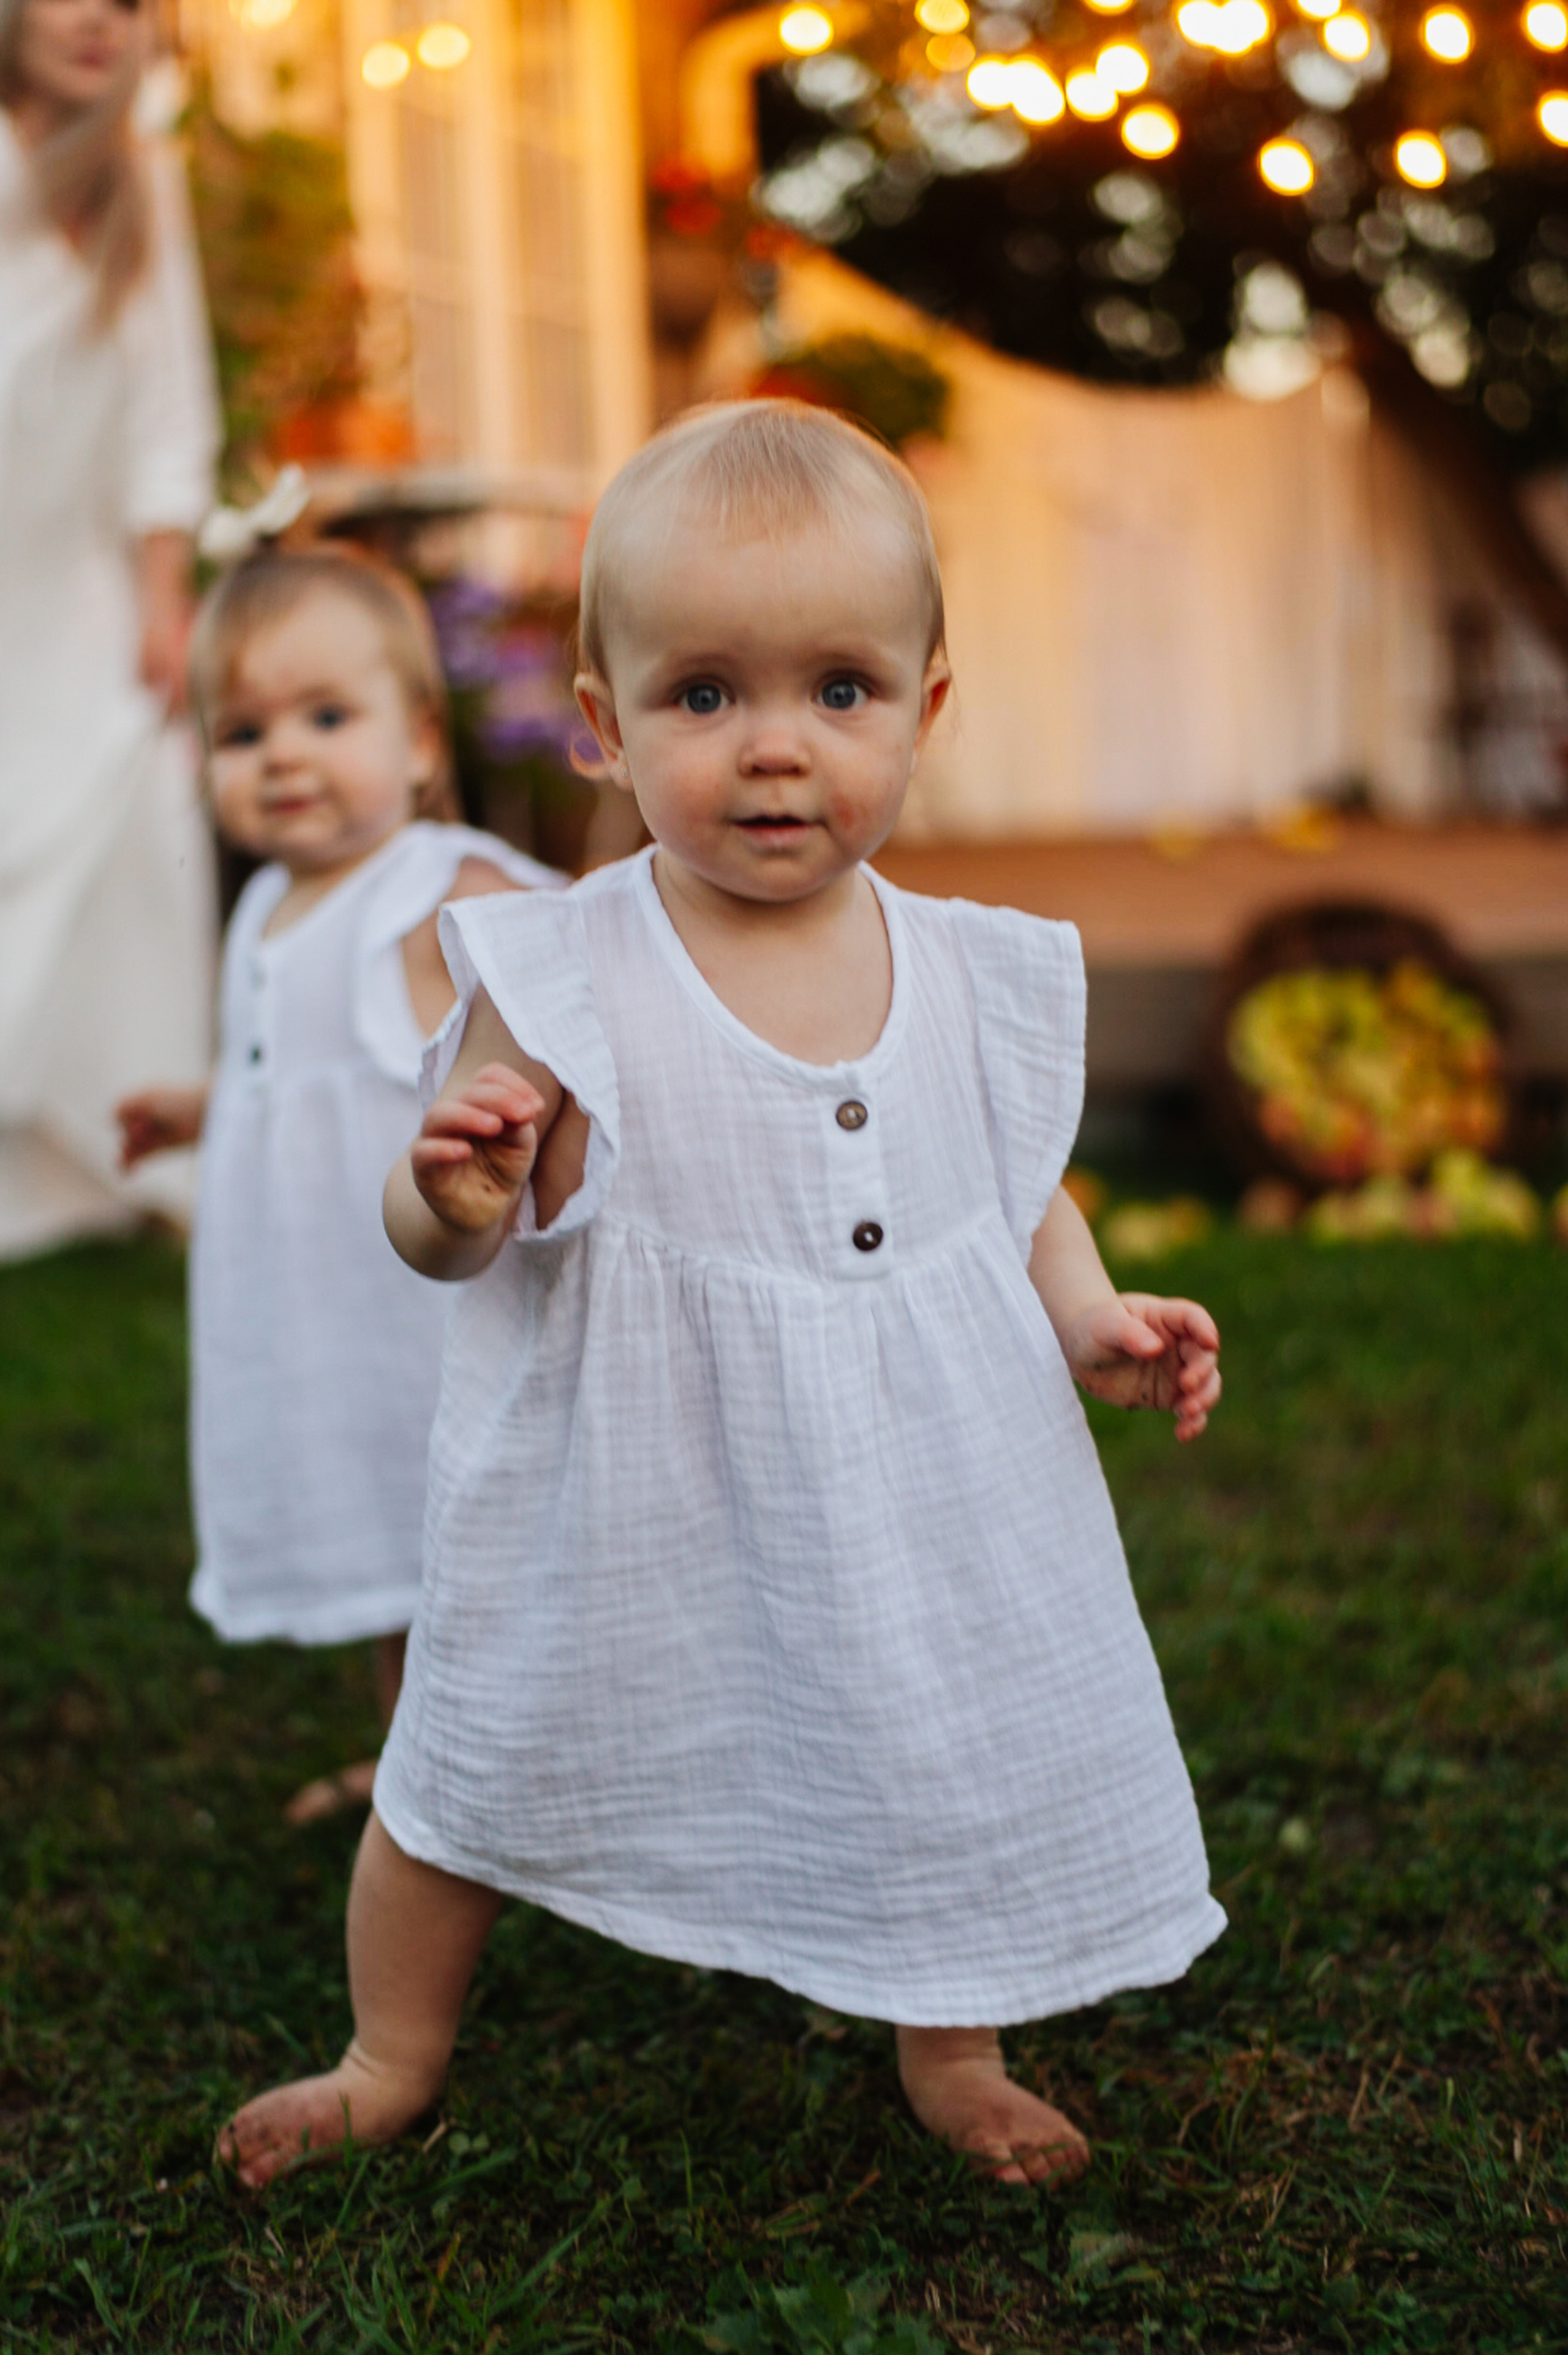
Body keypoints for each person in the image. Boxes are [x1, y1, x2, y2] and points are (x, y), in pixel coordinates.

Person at [224, 401, 1225, 2191]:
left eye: (837, 691)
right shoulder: (560, 963)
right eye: (705, 696)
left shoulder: (969, 974)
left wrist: (1089, 1318)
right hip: (624, 1498)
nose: (774, 750)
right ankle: (391, 2046)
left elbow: (1014, 1197)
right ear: (603, 726)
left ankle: (957, 2045)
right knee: (465, 1765)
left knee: (936, 1740)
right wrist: (446, 1186)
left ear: (923, 707)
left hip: (919, 1486)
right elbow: (445, 1236)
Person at [118, 538, 559, 1821]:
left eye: (326, 716)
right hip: (319, 1314)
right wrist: (204, 1108)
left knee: (463, 1533)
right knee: (385, 1537)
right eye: (242, 730)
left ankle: (511, 1779)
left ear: (422, 743)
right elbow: (298, 1070)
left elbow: (569, 968)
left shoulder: (436, 886)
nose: (284, 757)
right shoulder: (264, 909)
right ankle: (420, 1774)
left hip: (420, 1299)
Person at [0, 0, 221, 1257]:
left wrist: (161, 591)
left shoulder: (139, 168)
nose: (102, 20)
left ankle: (131, 1151)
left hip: (78, 581)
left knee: (133, 834)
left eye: (134, 2)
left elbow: (165, 401)